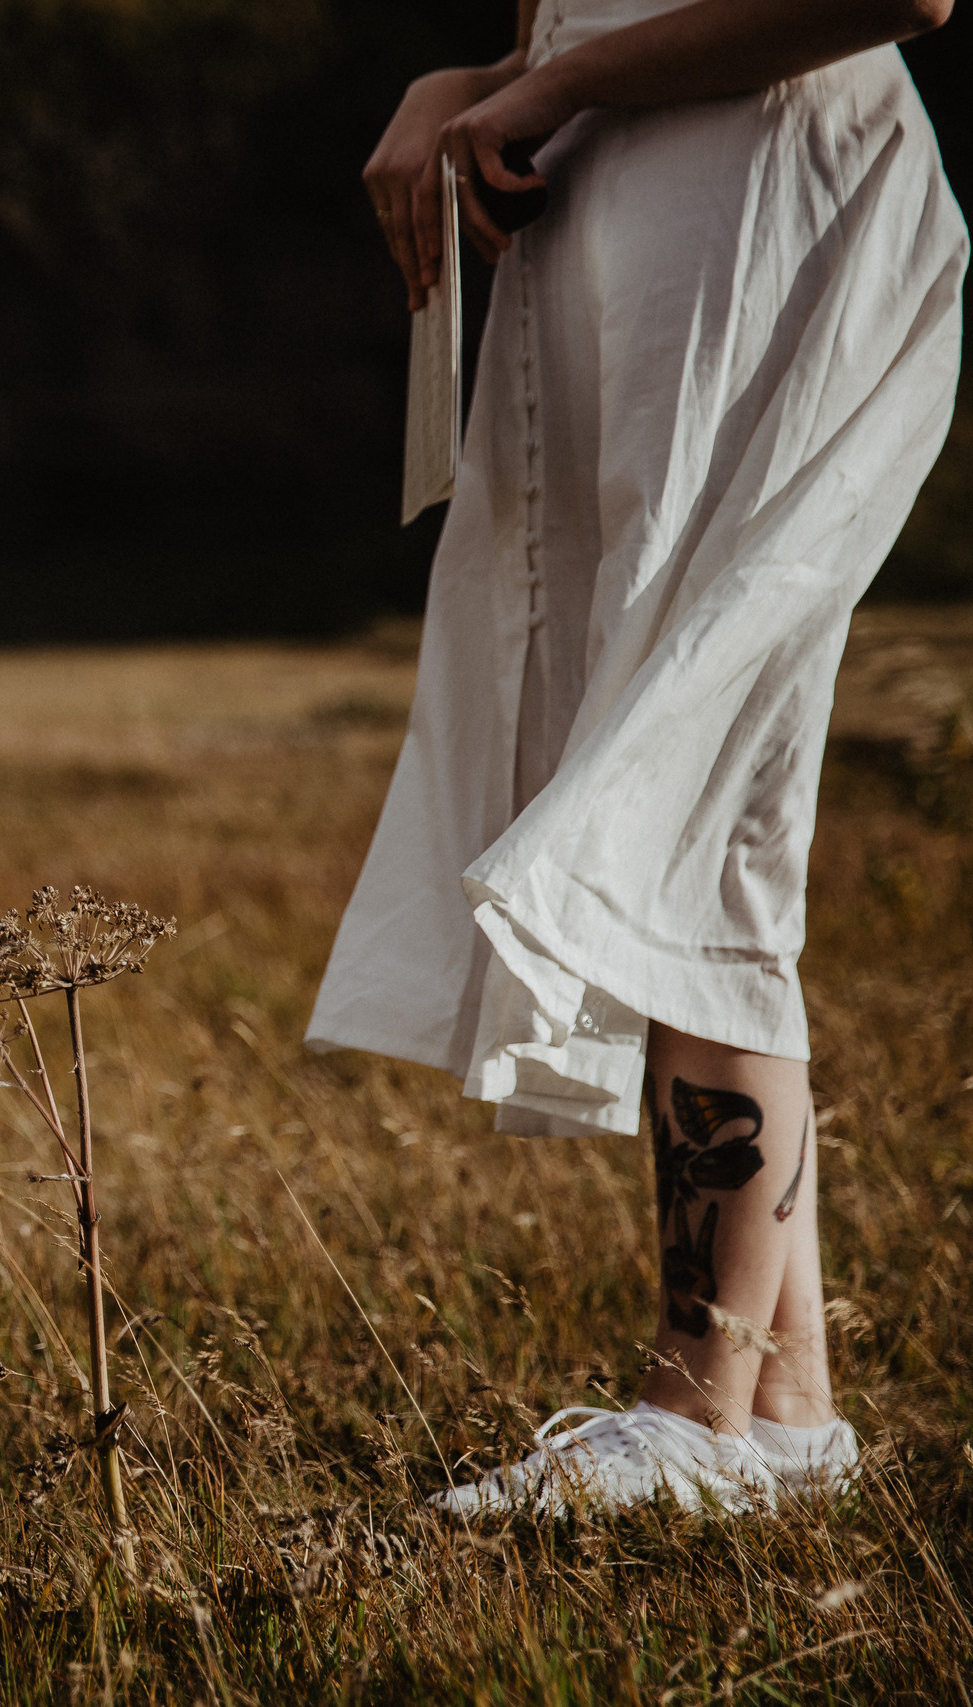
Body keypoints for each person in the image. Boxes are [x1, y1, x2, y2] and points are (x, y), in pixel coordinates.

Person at [313, 0, 963, 1515]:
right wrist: (467, 84)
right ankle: (782, 1412)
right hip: (626, 214)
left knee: (697, 777)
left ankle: (692, 1409)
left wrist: (561, 85)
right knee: (664, 766)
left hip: (764, 204)